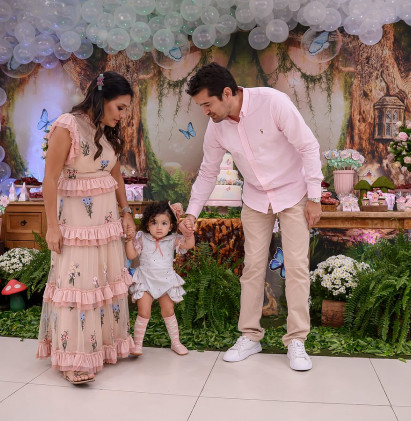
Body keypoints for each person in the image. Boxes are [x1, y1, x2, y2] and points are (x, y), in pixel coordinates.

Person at [180, 62, 323, 371]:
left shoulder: (273, 102)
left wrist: (314, 197)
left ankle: (296, 339)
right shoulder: (216, 126)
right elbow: (208, 172)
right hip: (256, 197)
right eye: (201, 106)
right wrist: (192, 213)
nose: (205, 111)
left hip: (293, 192)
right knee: (252, 267)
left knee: (297, 267)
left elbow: (308, 146)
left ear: (227, 93)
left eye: (207, 104)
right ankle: (250, 335)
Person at [37, 71, 138, 384]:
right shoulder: (67, 125)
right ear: (102, 98)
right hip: (76, 225)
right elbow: (49, 180)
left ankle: (100, 348)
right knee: (77, 286)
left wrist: (126, 212)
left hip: (105, 225)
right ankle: (73, 359)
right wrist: (52, 227)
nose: (122, 115)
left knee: (101, 284)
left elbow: (116, 175)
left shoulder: (106, 131)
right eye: (120, 107)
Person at [125, 201, 195, 356]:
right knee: (144, 312)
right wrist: (129, 240)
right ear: (147, 224)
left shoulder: (173, 239)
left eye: (164, 223)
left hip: (166, 281)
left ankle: (175, 342)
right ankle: (137, 345)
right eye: (154, 222)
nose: (159, 227)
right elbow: (131, 255)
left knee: (168, 311)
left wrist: (189, 234)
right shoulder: (142, 238)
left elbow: (188, 245)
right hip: (145, 280)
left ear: (171, 226)